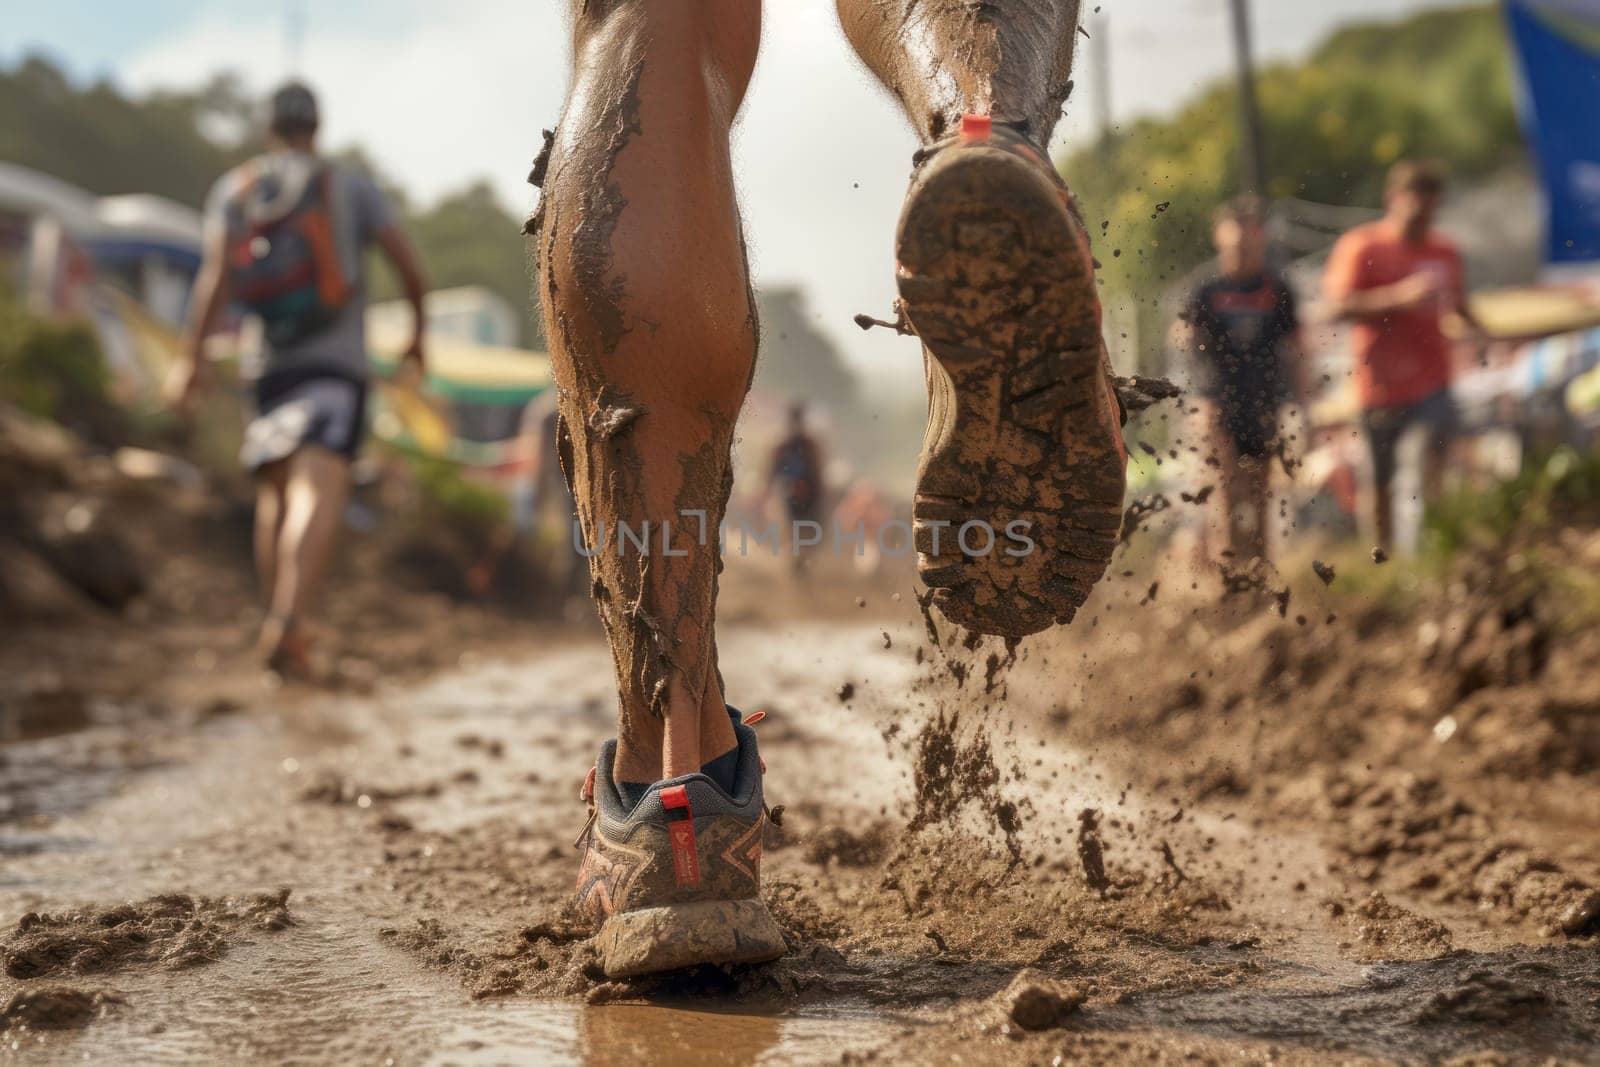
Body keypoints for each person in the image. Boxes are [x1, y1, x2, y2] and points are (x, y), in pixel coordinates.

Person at [543, 1, 1128, 978]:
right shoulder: (806, 449)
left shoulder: (800, 453)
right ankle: (983, 139)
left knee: (644, 19)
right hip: (810, 493)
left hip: (703, 468)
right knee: (976, 107)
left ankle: (671, 786)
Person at [170, 81, 429, 675]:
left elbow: (216, 277)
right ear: (318, 125)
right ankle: (290, 623)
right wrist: (418, 332)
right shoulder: (349, 187)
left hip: (268, 368)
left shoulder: (236, 189)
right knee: (321, 486)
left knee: (276, 495)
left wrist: (193, 359)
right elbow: (407, 264)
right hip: (334, 364)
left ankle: (279, 618)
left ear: (269, 127)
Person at [1324, 160, 1480, 551]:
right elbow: (1338, 306)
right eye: (1416, 209)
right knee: (1379, 481)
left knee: (1427, 459)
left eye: (1431, 210)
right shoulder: (1363, 246)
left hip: (1433, 381)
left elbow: (1461, 309)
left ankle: (1426, 553)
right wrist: (1399, 296)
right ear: (1394, 199)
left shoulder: (1445, 252)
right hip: (1379, 385)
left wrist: (1495, 329)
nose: (1423, 219)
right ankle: (1382, 559)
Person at [1181, 196, 1304, 563]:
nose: (1243, 249)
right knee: (1227, 493)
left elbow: (1297, 349)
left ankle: (1261, 577)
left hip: (1263, 404)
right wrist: (1200, 404)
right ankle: (1229, 579)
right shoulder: (1205, 292)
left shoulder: (1278, 291)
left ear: (1261, 239)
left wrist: (1302, 401)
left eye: (1250, 242)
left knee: (1262, 493)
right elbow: (1186, 347)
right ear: (1220, 239)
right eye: (1236, 243)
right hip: (1218, 406)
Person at [765, 401, 826, 575]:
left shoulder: (809, 445)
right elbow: (773, 470)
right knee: (795, 527)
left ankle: (800, 559)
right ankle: (796, 559)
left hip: (807, 493)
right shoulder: (783, 445)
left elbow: (817, 470)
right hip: (792, 492)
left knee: (805, 528)